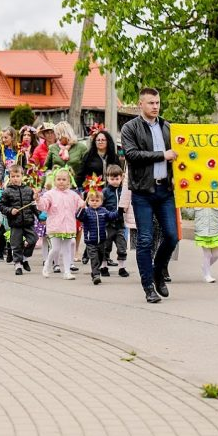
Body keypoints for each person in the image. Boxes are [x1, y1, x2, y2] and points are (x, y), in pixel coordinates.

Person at [120, 87, 178, 304]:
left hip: (165, 191)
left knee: (172, 236)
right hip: (143, 191)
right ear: (140, 104)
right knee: (145, 239)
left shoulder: (167, 127)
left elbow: (180, 156)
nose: (155, 106)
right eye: (151, 103)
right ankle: (148, 287)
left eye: (157, 103)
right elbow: (132, 155)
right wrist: (162, 155)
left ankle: (158, 270)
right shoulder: (130, 128)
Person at [37, 169, 86, 280]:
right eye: (58, 179)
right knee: (55, 249)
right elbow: (43, 206)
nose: (61, 182)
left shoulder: (73, 194)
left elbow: (80, 203)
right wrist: (38, 200)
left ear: (69, 181)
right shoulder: (49, 194)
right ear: (54, 181)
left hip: (68, 226)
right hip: (55, 227)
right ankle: (47, 265)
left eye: (64, 179)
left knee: (67, 249)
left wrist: (83, 204)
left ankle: (67, 272)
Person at [0, 164, 39, 275]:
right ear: (9, 178)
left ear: (22, 176)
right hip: (15, 223)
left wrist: (39, 216)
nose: (15, 178)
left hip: (28, 221)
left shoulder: (28, 190)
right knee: (16, 244)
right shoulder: (7, 191)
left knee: (33, 239)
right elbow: (1, 206)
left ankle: (25, 258)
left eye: (17, 176)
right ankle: (17, 265)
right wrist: (10, 210)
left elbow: (33, 205)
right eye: (13, 176)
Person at [76, 189, 119, 285]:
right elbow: (79, 217)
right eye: (92, 200)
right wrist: (81, 208)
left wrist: (120, 210)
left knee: (100, 257)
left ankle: (94, 272)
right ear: (88, 201)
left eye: (97, 200)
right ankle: (96, 275)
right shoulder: (86, 211)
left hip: (102, 240)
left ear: (101, 202)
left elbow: (112, 216)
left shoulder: (103, 211)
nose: (94, 202)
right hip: (90, 240)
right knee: (94, 258)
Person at [184, 207, 218, 283]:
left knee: (216, 255)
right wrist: (183, 206)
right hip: (202, 231)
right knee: (207, 255)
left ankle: (205, 266)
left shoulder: (217, 199)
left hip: (215, 231)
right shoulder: (196, 199)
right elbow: (190, 214)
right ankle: (207, 275)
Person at [102, 164, 130, 277]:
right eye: (112, 179)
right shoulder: (105, 192)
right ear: (107, 178)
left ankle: (122, 268)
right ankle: (103, 267)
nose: (114, 181)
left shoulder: (124, 191)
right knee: (105, 247)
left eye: (117, 178)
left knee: (122, 246)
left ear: (122, 178)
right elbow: (100, 206)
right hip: (108, 224)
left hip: (120, 224)